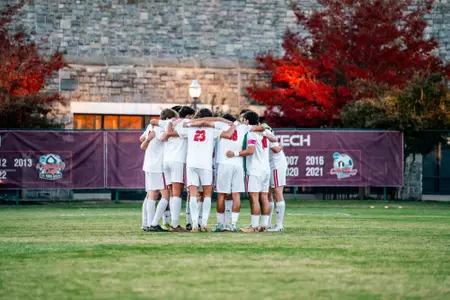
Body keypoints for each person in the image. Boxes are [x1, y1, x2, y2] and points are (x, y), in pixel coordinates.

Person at [174, 108, 236, 232]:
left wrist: (194, 122)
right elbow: (228, 134)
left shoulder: (189, 127)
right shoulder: (213, 129)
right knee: (207, 194)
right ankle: (204, 224)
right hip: (205, 164)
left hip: (191, 163)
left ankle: (195, 225)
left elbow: (176, 128)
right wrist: (230, 123)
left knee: (192, 194)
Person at [213, 113, 265, 232]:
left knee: (221, 194)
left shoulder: (220, 125)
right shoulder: (242, 127)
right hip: (238, 164)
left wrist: (218, 119)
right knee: (236, 195)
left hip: (224, 163)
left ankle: (220, 224)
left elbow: (204, 121)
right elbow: (261, 128)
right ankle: (233, 224)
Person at [234, 111, 276, 232]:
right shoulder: (265, 132)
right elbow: (274, 139)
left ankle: (254, 226)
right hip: (266, 169)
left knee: (254, 197)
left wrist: (235, 153)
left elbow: (250, 151)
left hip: (255, 169)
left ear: (247, 121)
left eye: (244, 120)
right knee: (264, 197)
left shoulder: (252, 134)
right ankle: (264, 225)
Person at [141, 108, 178, 232]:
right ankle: (154, 223)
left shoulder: (151, 127)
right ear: (168, 119)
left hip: (148, 165)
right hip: (158, 166)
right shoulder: (162, 128)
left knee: (152, 195)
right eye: (173, 119)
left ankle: (147, 224)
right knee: (166, 195)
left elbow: (141, 138)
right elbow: (164, 137)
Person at [264, 124, 287, 232]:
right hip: (269, 165)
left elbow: (276, 149)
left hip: (276, 164)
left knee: (277, 192)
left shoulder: (265, 130)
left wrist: (281, 145)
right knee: (267, 193)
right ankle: (267, 223)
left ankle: (279, 225)